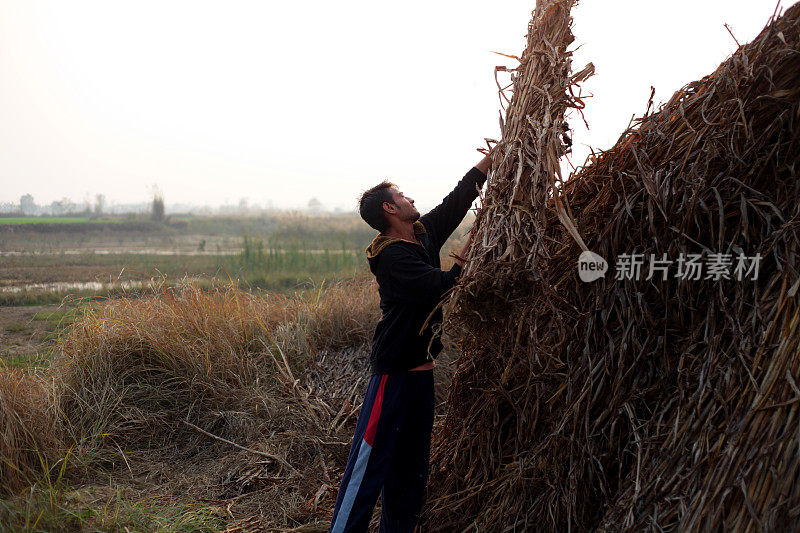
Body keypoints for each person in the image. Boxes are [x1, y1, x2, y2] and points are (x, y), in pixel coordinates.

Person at [329, 152, 491, 533]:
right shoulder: (393, 258)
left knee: (411, 470)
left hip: (422, 376)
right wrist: (465, 260)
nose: (412, 200)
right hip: (394, 376)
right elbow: (439, 288)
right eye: (403, 196)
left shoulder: (421, 235)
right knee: (367, 466)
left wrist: (490, 162)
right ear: (390, 208)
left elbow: (457, 200)